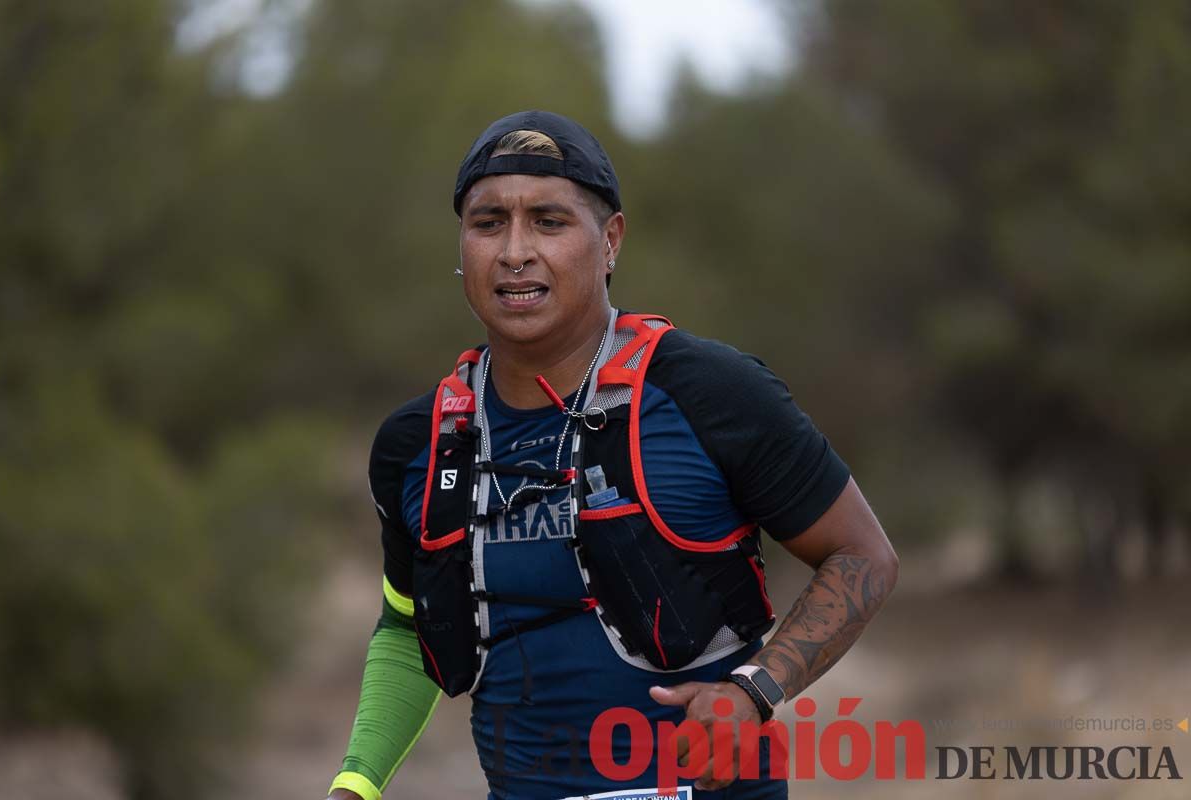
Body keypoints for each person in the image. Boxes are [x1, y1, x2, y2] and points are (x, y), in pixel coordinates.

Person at [325, 110, 898, 800]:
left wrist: (754, 690)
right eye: (487, 222)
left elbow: (864, 556)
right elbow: (404, 629)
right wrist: (356, 783)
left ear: (610, 242)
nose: (514, 251)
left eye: (549, 221)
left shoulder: (708, 391)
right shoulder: (417, 444)